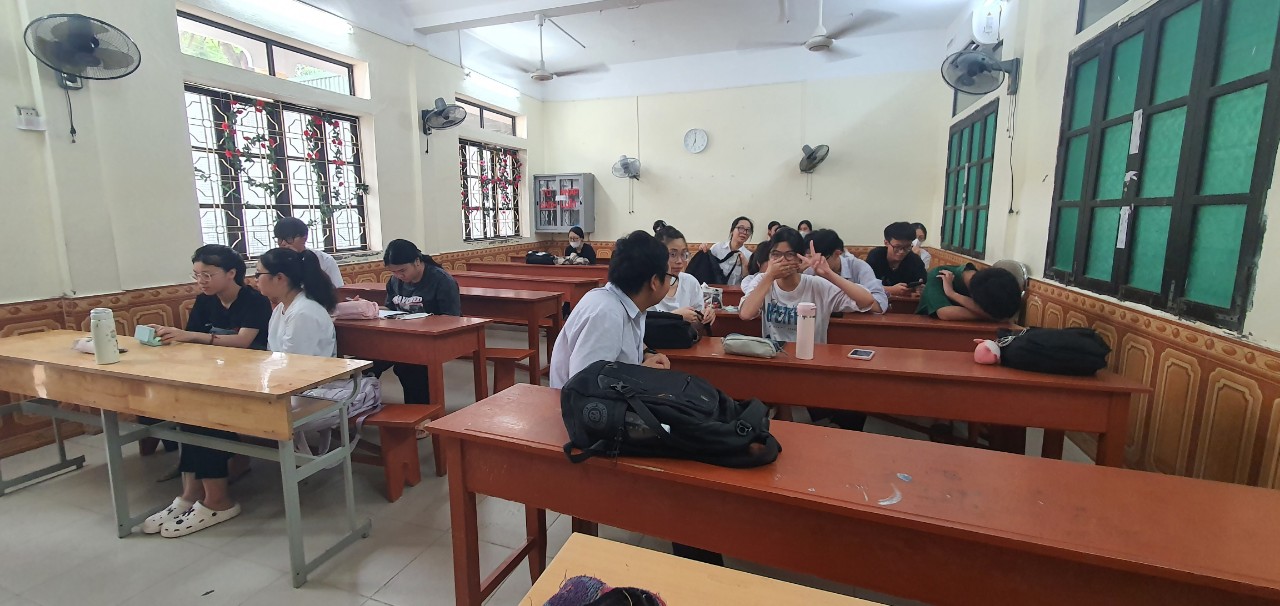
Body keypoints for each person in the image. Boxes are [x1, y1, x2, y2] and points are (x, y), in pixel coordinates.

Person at [142, 244, 272, 537]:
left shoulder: (254, 300)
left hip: (251, 379)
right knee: (188, 412)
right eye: (197, 275)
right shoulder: (205, 300)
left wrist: (191, 336)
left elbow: (243, 342)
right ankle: (190, 495)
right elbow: (192, 339)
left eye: (208, 275)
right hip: (213, 375)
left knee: (203, 416)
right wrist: (168, 336)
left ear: (231, 273)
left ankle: (217, 499)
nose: (201, 281)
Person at [549, 230, 673, 390]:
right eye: (670, 277)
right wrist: (641, 374)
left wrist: (647, 353)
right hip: (571, 403)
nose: (671, 282)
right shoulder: (606, 314)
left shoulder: (626, 304)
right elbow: (584, 387)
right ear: (654, 282)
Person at [739, 228, 877, 343]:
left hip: (810, 357)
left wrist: (829, 274)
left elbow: (867, 300)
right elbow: (746, 314)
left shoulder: (816, 285)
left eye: (789, 255)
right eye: (776, 254)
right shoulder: (763, 281)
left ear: (800, 259)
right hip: (775, 356)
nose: (782, 260)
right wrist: (769, 277)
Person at [375, 239, 461, 404]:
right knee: (368, 359)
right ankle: (357, 405)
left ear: (417, 261)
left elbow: (452, 318)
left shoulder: (442, 280)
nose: (399, 276)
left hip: (433, 339)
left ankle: (422, 412)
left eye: (402, 270)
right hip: (403, 337)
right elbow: (390, 309)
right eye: (394, 272)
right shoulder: (394, 281)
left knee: (409, 367)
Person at [802, 229, 888, 314]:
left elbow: (879, 306)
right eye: (809, 257)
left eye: (819, 260)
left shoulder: (859, 267)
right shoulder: (809, 268)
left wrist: (830, 275)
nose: (813, 264)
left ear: (837, 253)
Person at [651, 222, 716, 326]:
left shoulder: (690, 282)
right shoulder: (647, 285)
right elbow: (641, 325)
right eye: (673, 254)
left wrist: (704, 317)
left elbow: (697, 325)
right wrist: (675, 317)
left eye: (683, 254)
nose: (679, 261)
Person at [917, 263, 1023, 322]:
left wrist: (952, 294)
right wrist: (993, 316)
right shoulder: (939, 274)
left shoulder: (989, 283)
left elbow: (1004, 317)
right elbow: (944, 312)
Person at [274, 216, 344, 287]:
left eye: (289, 238)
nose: (283, 243)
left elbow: (338, 289)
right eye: (280, 239)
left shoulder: (325, 260)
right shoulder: (273, 261)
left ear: (304, 237)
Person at [865, 222, 929, 297]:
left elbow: (923, 283)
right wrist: (891, 290)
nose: (902, 251)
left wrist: (920, 289)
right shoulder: (876, 256)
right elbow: (865, 285)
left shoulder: (915, 260)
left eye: (907, 247)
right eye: (897, 247)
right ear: (886, 243)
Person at [705, 216, 753, 286]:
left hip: (735, 291)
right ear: (732, 230)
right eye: (741, 228)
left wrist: (745, 266)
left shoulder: (749, 256)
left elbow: (748, 282)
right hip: (715, 289)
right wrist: (703, 250)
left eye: (748, 230)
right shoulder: (718, 248)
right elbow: (707, 267)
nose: (744, 232)